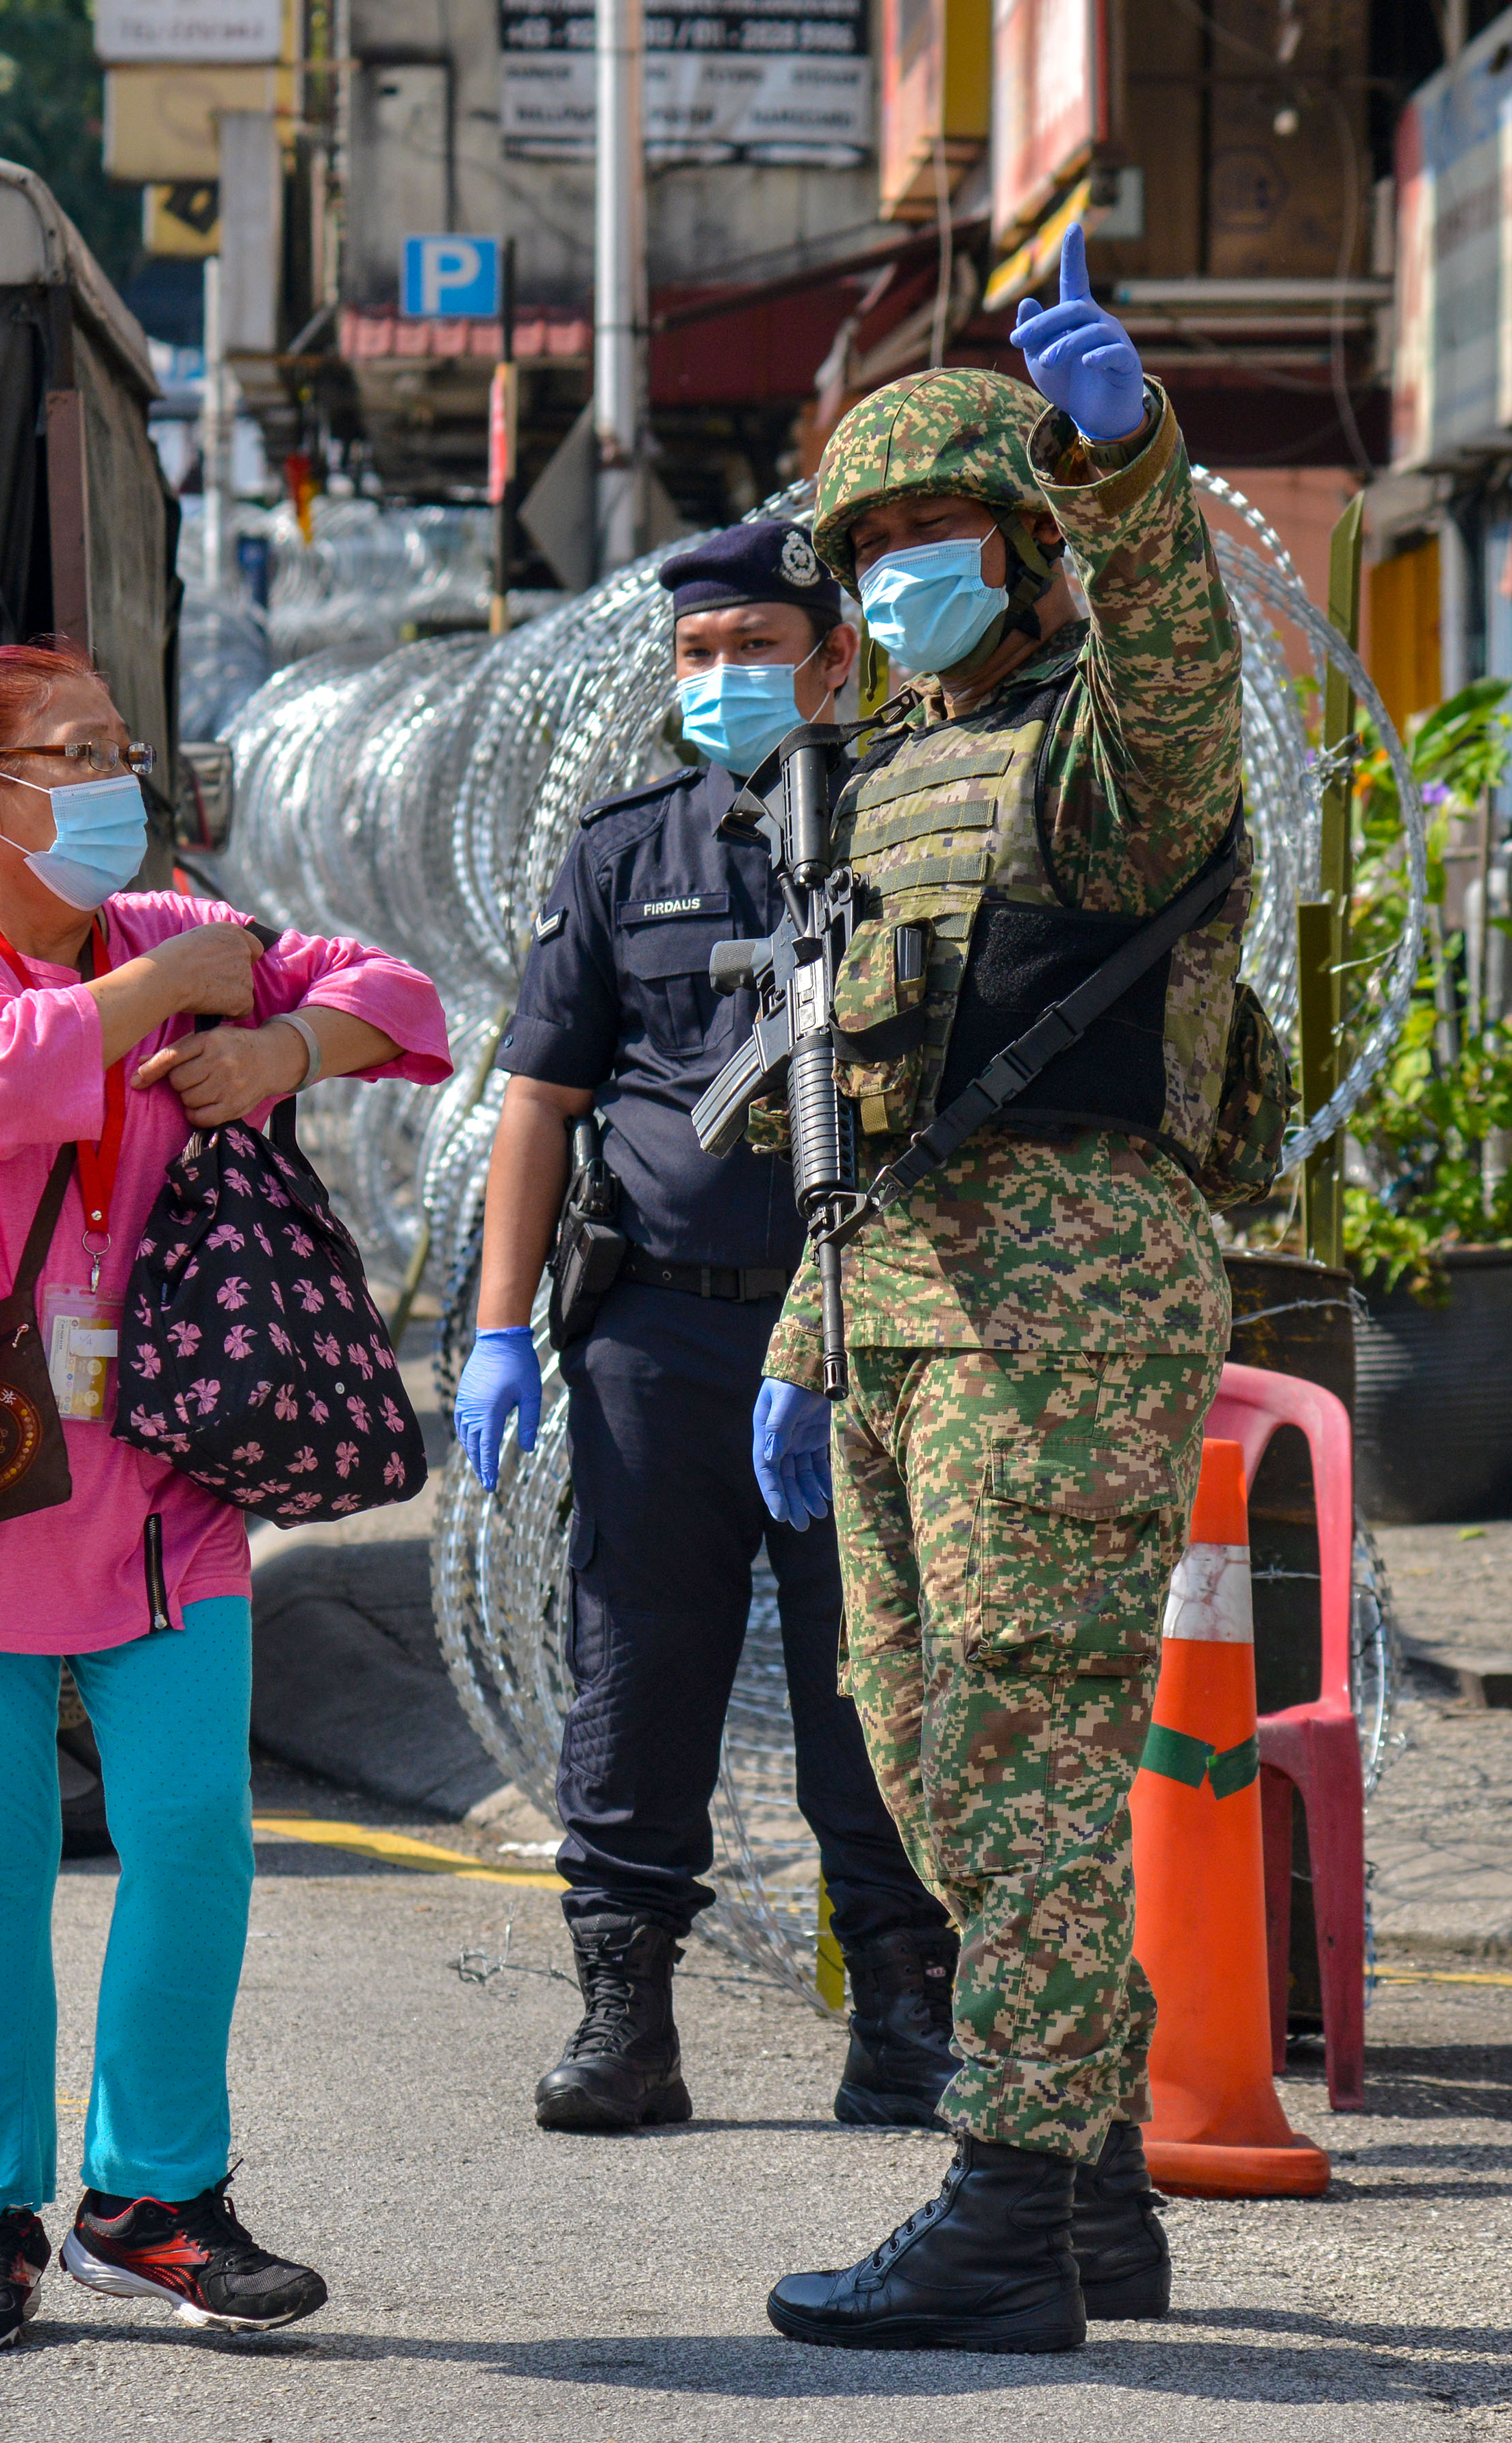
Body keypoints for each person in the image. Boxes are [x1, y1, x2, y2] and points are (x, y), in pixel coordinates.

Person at [0, 640, 451, 2354]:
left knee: (195, 1847)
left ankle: (153, 2196)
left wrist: (283, 1045)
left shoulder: (166, 935)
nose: (113, 786)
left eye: (119, 748)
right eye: (70, 756)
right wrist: (176, 995)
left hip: (159, 1486)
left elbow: (406, 998)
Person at [754, 226, 1287, 2353]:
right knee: (923, 1739)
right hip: (902, 1303)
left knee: (1028, 1738)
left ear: (1032, 542)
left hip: (1060, 1306)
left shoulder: (1109, 753)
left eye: (940, 533)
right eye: (866, 544)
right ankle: (1093, 2190)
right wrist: (810, 1342)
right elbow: (854, 1098)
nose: (895, 576)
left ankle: (1000, 2205)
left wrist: (1125, 457)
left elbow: (1173, 650)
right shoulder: (885, 775)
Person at [453, 517, 962, 2136]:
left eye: (754, 647)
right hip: (659, 1335)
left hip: (868, 1323)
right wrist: (492, 1330)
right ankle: (624, 2015)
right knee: (635, 1668)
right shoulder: (626, 850)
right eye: (696, 655)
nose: (723, 679)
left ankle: (900, 2010)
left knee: (868, 1672)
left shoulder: (910, 827)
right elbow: (542, 1097)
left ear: (838, 656)